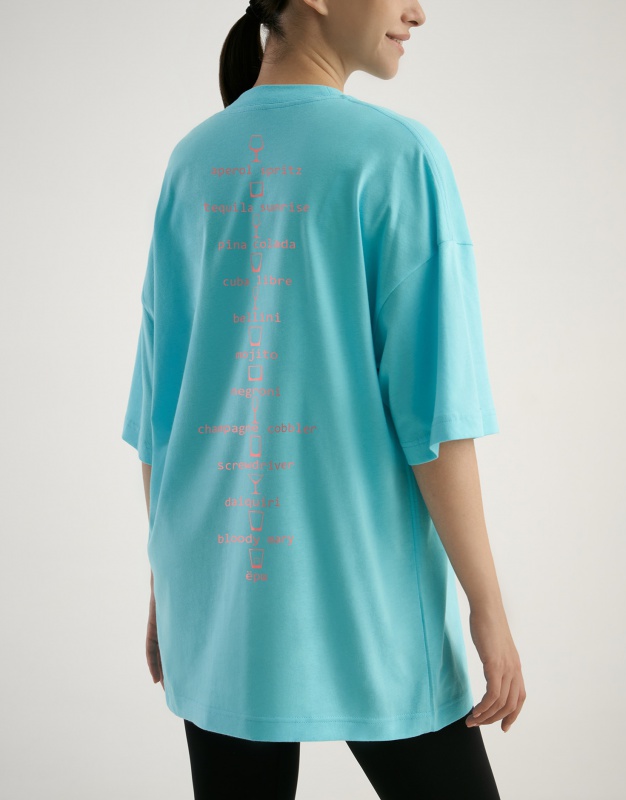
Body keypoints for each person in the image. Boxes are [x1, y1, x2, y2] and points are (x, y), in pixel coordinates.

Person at [122, 0, 526, 797]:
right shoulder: (397, 155)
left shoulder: (192, 160)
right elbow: (435, 417)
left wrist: (169, 583)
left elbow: (160, 411)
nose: (417, 11)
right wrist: (488, 606)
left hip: (216, 599)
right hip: (367, 601)